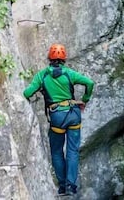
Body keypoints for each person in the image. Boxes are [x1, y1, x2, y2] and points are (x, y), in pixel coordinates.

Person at [23, 44, 95, 197]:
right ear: (64, 59)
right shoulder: (69, 74)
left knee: (56, 151)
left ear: (49, 58)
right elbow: (90, 83)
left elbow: (27, 92)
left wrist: (40, 89)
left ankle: (62, 186)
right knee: (72, 150)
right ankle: (71, 185)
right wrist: (85, 99)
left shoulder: (42, 76)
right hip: (73, 114)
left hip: (57, 117)